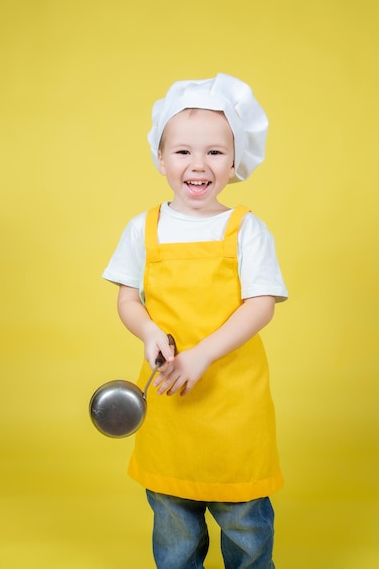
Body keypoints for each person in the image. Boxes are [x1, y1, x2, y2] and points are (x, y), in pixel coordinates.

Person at [102, 73, 288, 569]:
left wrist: (203, 354)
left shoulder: (246, 228)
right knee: (173, 522)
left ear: (235, 162)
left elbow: (260, 304)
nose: (198, 165)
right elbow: (128, 300)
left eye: (215, 152)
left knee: (245, 520)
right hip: (168, 400)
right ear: (161, 159)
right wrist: (147, 331)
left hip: (233, 400)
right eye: (183, 152)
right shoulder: (143, 228)